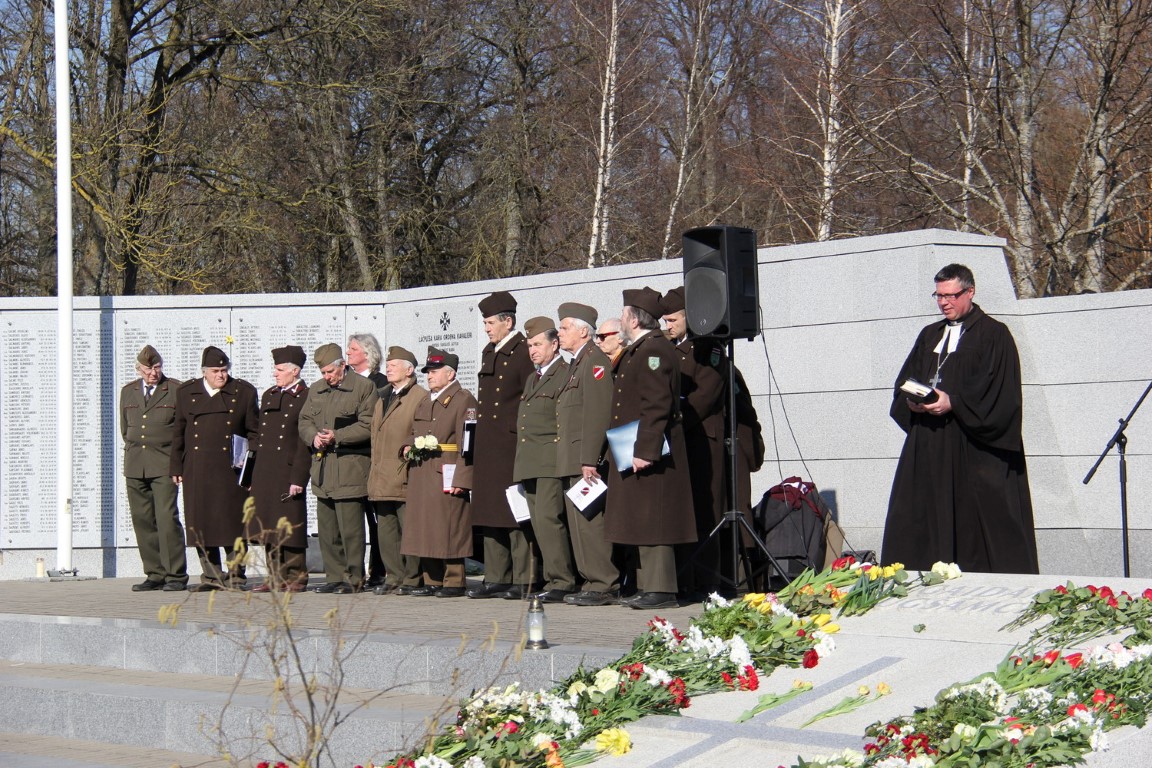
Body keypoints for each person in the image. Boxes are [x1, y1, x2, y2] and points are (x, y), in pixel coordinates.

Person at [882, 263, 1039, 573]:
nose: (944, 303)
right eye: (939, 296)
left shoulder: (994, 335)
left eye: (951, 295)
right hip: (929, 444)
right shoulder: (930, 334)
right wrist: (913, 402)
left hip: (972, 449)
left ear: (970, 292)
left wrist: (953, 402)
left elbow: (1002, 394)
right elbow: (905, 382)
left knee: (976, 524)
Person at [605, 287, 697, 610]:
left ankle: (661, 588)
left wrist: (645, 449)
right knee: (642, 517)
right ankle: (648, 586)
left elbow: (657, 404)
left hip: (650, 450)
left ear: (633, 319)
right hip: (636, 445)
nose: (621, 321)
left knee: (654, 518)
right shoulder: (642, 349)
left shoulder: (654, 350)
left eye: (623, 315)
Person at [467, 291, 540, 600]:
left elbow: (530, 396)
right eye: (485, 323)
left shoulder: (523, 351)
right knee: (490, 512)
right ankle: (497, 576)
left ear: (508, 322)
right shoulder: (490, 351)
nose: (486, 328)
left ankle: (524, 578)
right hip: (488, 444)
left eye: (490, 323)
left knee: (514, 513)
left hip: (511, 443)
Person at [170, 346, 260, 591]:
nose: (221, 375)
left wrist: (250, 468)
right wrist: (175, 465)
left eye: (224, 370)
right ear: (204, 372)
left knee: (233, 524)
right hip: (197, 468)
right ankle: (211, 577)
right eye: (215, 371)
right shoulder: (186, 392)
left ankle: (236, 576)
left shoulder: (243, 392)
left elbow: (254, 432)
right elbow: (179, 431)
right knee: (202, 523)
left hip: (231, 471)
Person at [298, 343, 379, 593]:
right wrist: (313, 437)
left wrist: (338, 435)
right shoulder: (316, 389)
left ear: (343, 365)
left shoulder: (364, 387)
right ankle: (334, 576)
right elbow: (304, 420)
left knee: (351, 530)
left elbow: (368, 424)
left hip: (350, 468)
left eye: (330, 372)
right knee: (328, 529)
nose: (327, 377)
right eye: (323, 372)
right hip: (323, 469)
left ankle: (353, 579)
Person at [661, 286, 726, 599]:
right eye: (665, 320)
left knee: (704, 510)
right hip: (679, 439)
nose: (668, 325)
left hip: (700, 440)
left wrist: (672, 419)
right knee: (680, 511)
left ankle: (706, 581)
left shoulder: (708, 348)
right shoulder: (669, 349)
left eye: (673, 319)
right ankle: (684, 579)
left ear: (689, 317)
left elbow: (705, 396)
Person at [556, 303, 621, 606]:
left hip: (586, 460)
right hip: (573, 456)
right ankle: (590, 581)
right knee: (579, 524)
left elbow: (598, 413)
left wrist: (589, 459)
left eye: (565, 327)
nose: (559, 332)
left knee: (590, 523)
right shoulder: (577, 363)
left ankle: (604, 582)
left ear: (583, 331)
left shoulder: (594, 361)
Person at [402, 347, 478, 597]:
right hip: (422, 469)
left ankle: (454, 580)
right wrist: (406, 447)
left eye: (435, 371)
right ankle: (432, 578)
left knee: (450, 525)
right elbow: (414, 431)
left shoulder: (463, 399)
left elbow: (469, 442)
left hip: (447, 468)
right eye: (428, 371)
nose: (429, 375)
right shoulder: (426, 399)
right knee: (426, 525)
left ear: (450, 373)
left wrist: (463, 477)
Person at [512, 317, 576, 603]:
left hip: (550, 460)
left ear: (555, 344)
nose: (533, 350)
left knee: (550, 520)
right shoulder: (533, 377)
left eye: (538, 344)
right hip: (530, 461)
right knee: (538, 522)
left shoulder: (564, 373)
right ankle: (551, 578)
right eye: (529, 345)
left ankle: (562, 580)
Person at [121, 345, 187, 592]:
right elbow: (125, 429)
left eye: (157, 368)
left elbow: (182, 430)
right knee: (142, 520)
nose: (153, 373)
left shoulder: (175, 390)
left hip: (164, 464)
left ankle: (175, 575)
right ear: (139, 369)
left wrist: (178, 464)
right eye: (148, 369)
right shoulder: (128, 391)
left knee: (167, 519)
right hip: (136, 464)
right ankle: (155, 573)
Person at [247, 345, 311, 592]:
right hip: (265, 469)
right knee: (269, 524)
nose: (275, 373)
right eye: (275, 369)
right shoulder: (270, 395)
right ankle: (274, 577)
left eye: (280, 369)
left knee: (291, 522)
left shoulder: (306, 396)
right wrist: (251, 472)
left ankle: (296, 576)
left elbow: (303, 442)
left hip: (288, 469)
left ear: (295, 371)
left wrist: (299, 477)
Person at [366, 346, 428, 595]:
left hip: (405, 475)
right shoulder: (382, 396)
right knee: (387, 531)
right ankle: (394, 576)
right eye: (388, 365)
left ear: (409, 370)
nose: (388, 368)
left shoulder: (420, 397)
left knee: (409, 529)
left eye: (394, 365)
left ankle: (412, 578)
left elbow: (421, 432)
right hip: (381, 476)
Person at [348, 331, 389, 587]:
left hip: (372, 459)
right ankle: (353, 571)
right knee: (352, 522)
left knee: (377, 521)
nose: (348, 353)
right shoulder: (346, 382)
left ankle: (379, 569)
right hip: (349, 462)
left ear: (367, 352)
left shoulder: (381, 383)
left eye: (353, 349)